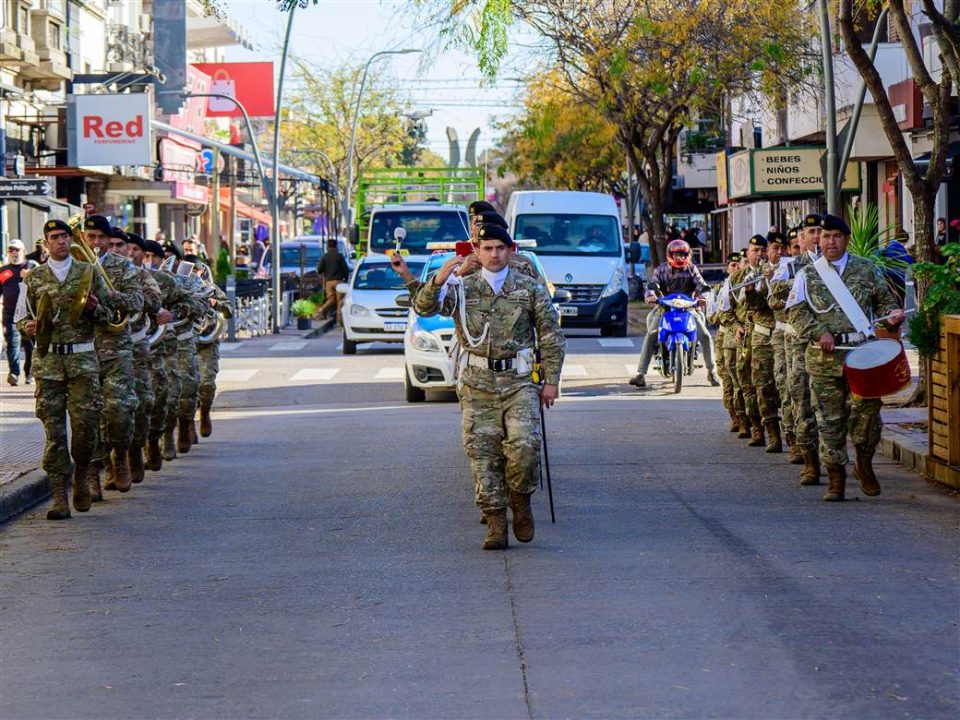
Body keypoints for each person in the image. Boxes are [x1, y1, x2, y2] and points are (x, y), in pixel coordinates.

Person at [413, 223, 565, 550]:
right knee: (482, 452)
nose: (494, 254)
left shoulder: (529, 288)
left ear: (510, 250)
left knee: (525, 445)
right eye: (487, 249)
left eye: (500, 248)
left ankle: (520, 499)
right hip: (477, 384)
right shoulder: (462, 288)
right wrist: (440, 277)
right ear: (477, 252)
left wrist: (551, 381)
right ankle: (496, 520)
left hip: (519, 382)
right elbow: (423, 308)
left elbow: (552, 336)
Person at [788, 213, 904, 501]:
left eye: (836, 236)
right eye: (825, 236)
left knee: (867, 419)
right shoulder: (807, 274)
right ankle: (836, 479)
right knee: (830, 422)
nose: (830, 241)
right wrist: (818, 332)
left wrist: (892, 316)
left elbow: (885, 301)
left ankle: (864, 464)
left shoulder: (866, 269)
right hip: (824, 361)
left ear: (846, 240)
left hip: (864, 358)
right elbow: (796, 312)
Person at [16, 219, 113, 519]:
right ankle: (59, 496)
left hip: (83, 362)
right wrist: (28, 328)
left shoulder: (89, 272)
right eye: (53, 237)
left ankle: (82, 473)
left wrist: (94, 308)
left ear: (71, 240)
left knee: (85, 427)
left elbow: (111, 315)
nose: (59, 241)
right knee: (54, 431)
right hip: (48, 365)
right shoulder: (33, 279)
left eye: (64, 236)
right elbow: (20, 317)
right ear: (45, 243)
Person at [82, 216, 144, 497]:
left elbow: (137, 301)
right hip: (82, 350)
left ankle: (120, 454)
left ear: (109, 240)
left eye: (100, 238)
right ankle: (94, 471)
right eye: (90, 236)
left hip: (116, 349)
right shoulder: (73, 267)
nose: (95, 243)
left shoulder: (123, 266)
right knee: (88, 416)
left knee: (119, 411)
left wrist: (110, 295)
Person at [108, 229, 163, 485]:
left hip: (135, 345)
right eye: (114, 245)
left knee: (140, 403)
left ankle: (135, 450)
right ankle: (110, 463)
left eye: (123, 245)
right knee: (105, 409)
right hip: (103, 348)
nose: (120, 250)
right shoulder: (89, 270)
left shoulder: (139, 274)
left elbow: (153, 302)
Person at [629, 238, 719, 388]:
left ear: (687, 255)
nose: (679, 258)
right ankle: (641, 374)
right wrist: (651, 296)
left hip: (688, 309)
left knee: (705, 335)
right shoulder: (661, 270)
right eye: (676, 255)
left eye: (682, 255)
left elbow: (703, 286)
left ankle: (712, 372)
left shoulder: (692, 269)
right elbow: (652, 286)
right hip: (664, 309)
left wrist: (703, 298)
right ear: (670, 254)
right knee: (651, 334)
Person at [709, 252, 744, 431]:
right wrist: (726, 315)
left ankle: (746, 417)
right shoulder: (719, 289)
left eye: (739, 265)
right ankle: (734, 416)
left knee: (742, 380)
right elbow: (712, 315)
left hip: (743, 335)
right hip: (725, 335)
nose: (736, 269)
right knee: (728, 378)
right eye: (733, 265)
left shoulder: (746, 285)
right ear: (727, 267)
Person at [1, 239, 36, 385]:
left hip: (28, 314)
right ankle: (14, 373)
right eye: (11, 250)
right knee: (12, 344)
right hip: (10, 314)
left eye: (17, 249)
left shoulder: (33, 267)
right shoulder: (4, 271)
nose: (14, 252)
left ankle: (29, 373)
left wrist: (29, 276)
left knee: (30, 346)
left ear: (24, 251)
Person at [316, 238, 349, 325]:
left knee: (331, 299)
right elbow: (346, 269)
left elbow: (319, 269)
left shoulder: (325, 256)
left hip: (329, 282)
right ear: (336, 246)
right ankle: (340, 321)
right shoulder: (339, 256)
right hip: (339, 282)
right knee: (340, 301)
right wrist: (345, 278)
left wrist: (325, 274)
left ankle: (321, 310)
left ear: (327, 246)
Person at [881, 235, 914, 307]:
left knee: (889, 299)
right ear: (905, 241)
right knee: (899, 300)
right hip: (898, 277)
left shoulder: (888, 245)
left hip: (887, 275)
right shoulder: (900, 248)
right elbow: (909, 261)